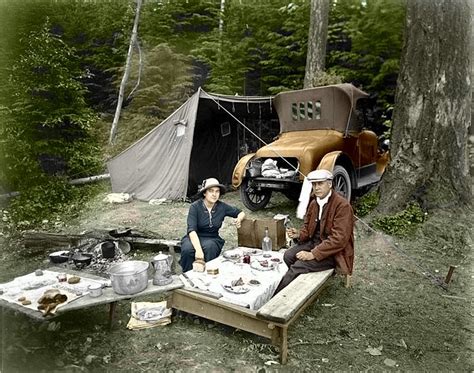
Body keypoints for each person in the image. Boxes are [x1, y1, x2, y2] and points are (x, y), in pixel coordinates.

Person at [274, 169, 354, 294]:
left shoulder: (342, 206)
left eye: (320, 183)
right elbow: (308, 228)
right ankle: (297, 287)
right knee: (288, 256)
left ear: (330, 184)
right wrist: (299, 234)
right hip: (314, 243)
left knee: (298, 266)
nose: (316, 188)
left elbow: (339, 240)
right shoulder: (314, 203)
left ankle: (275, 300)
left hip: (333, 253)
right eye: (314, 184)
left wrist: (313, 254)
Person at [180, 178, 245, 272]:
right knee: (187, 249)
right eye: (211, 191)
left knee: (210, 247)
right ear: (204, 193)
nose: (214, 194)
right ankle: (188, 276)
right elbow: (191, 230)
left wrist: (239, 219)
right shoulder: (195, 207)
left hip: (212, 238)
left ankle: (209, 275)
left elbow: (240, 212)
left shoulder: (222, 207)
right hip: (194, 237)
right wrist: (198, 251)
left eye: (217, 191)